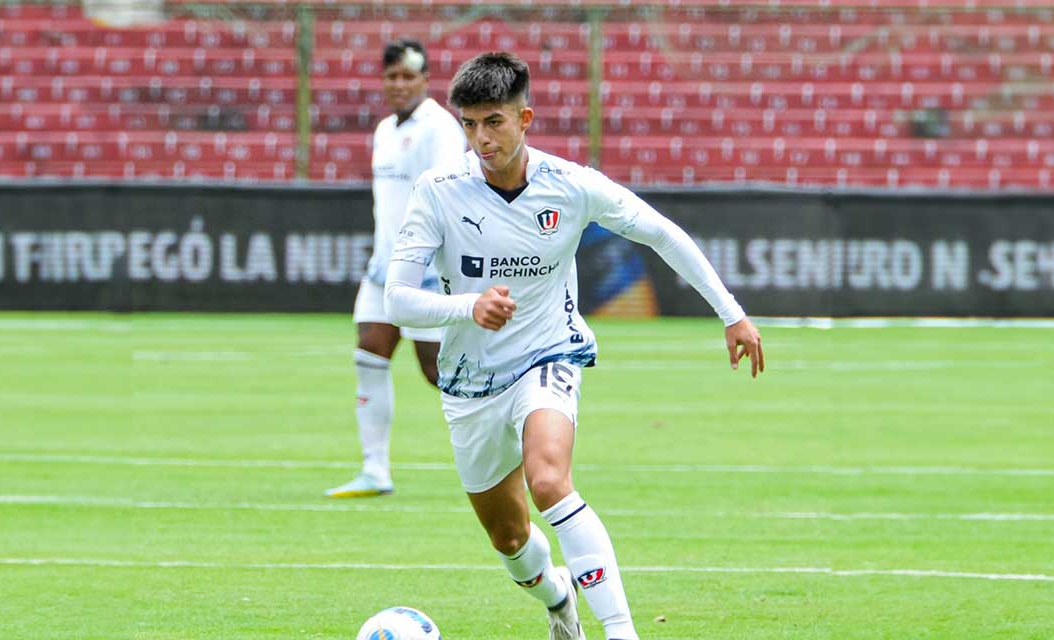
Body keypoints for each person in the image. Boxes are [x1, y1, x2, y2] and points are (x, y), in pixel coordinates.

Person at [384, 52, 764, 639]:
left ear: (525, 118)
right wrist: (469, 305)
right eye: (469, 124)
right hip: (469, 382)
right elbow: (397, 299)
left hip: (547, 355)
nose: (480, 139)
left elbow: (661, 232)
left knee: (549, 481)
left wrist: (731, 313)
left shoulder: (572, 187)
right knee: (510, 541)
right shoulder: (439, 191)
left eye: (494, 122)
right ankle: (560, 599)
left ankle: (619, 632)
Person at [326, 39, 467, 499]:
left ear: (426, 81)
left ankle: (506, 438)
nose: (400, 84)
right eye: (392, 76)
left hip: (423, 269)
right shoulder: (385, 129)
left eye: (409, 76)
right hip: (382, 267)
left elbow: (449, 192)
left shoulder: (439, 128)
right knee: (369, 351)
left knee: (437, 371)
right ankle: (375, 469)